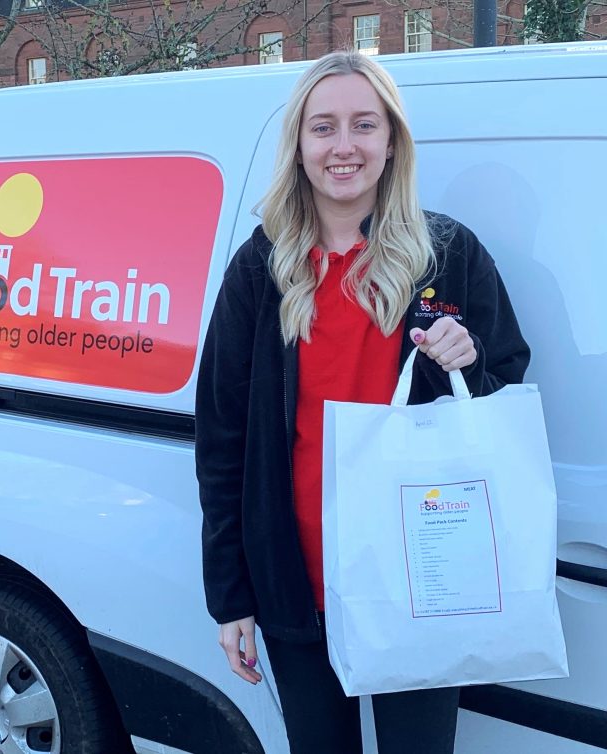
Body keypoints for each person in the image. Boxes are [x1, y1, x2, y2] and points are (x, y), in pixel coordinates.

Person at [195, 50, 529, 754]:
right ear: (300, 145)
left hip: (419, 578)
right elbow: (222, 439)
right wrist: (231, 598)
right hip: (297, 580)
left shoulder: (448, 255)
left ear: (391, 142)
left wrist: (466, 361)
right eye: (323, 127)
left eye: (363, 125)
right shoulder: (261, 267)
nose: (343, 146)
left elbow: (505, 393)